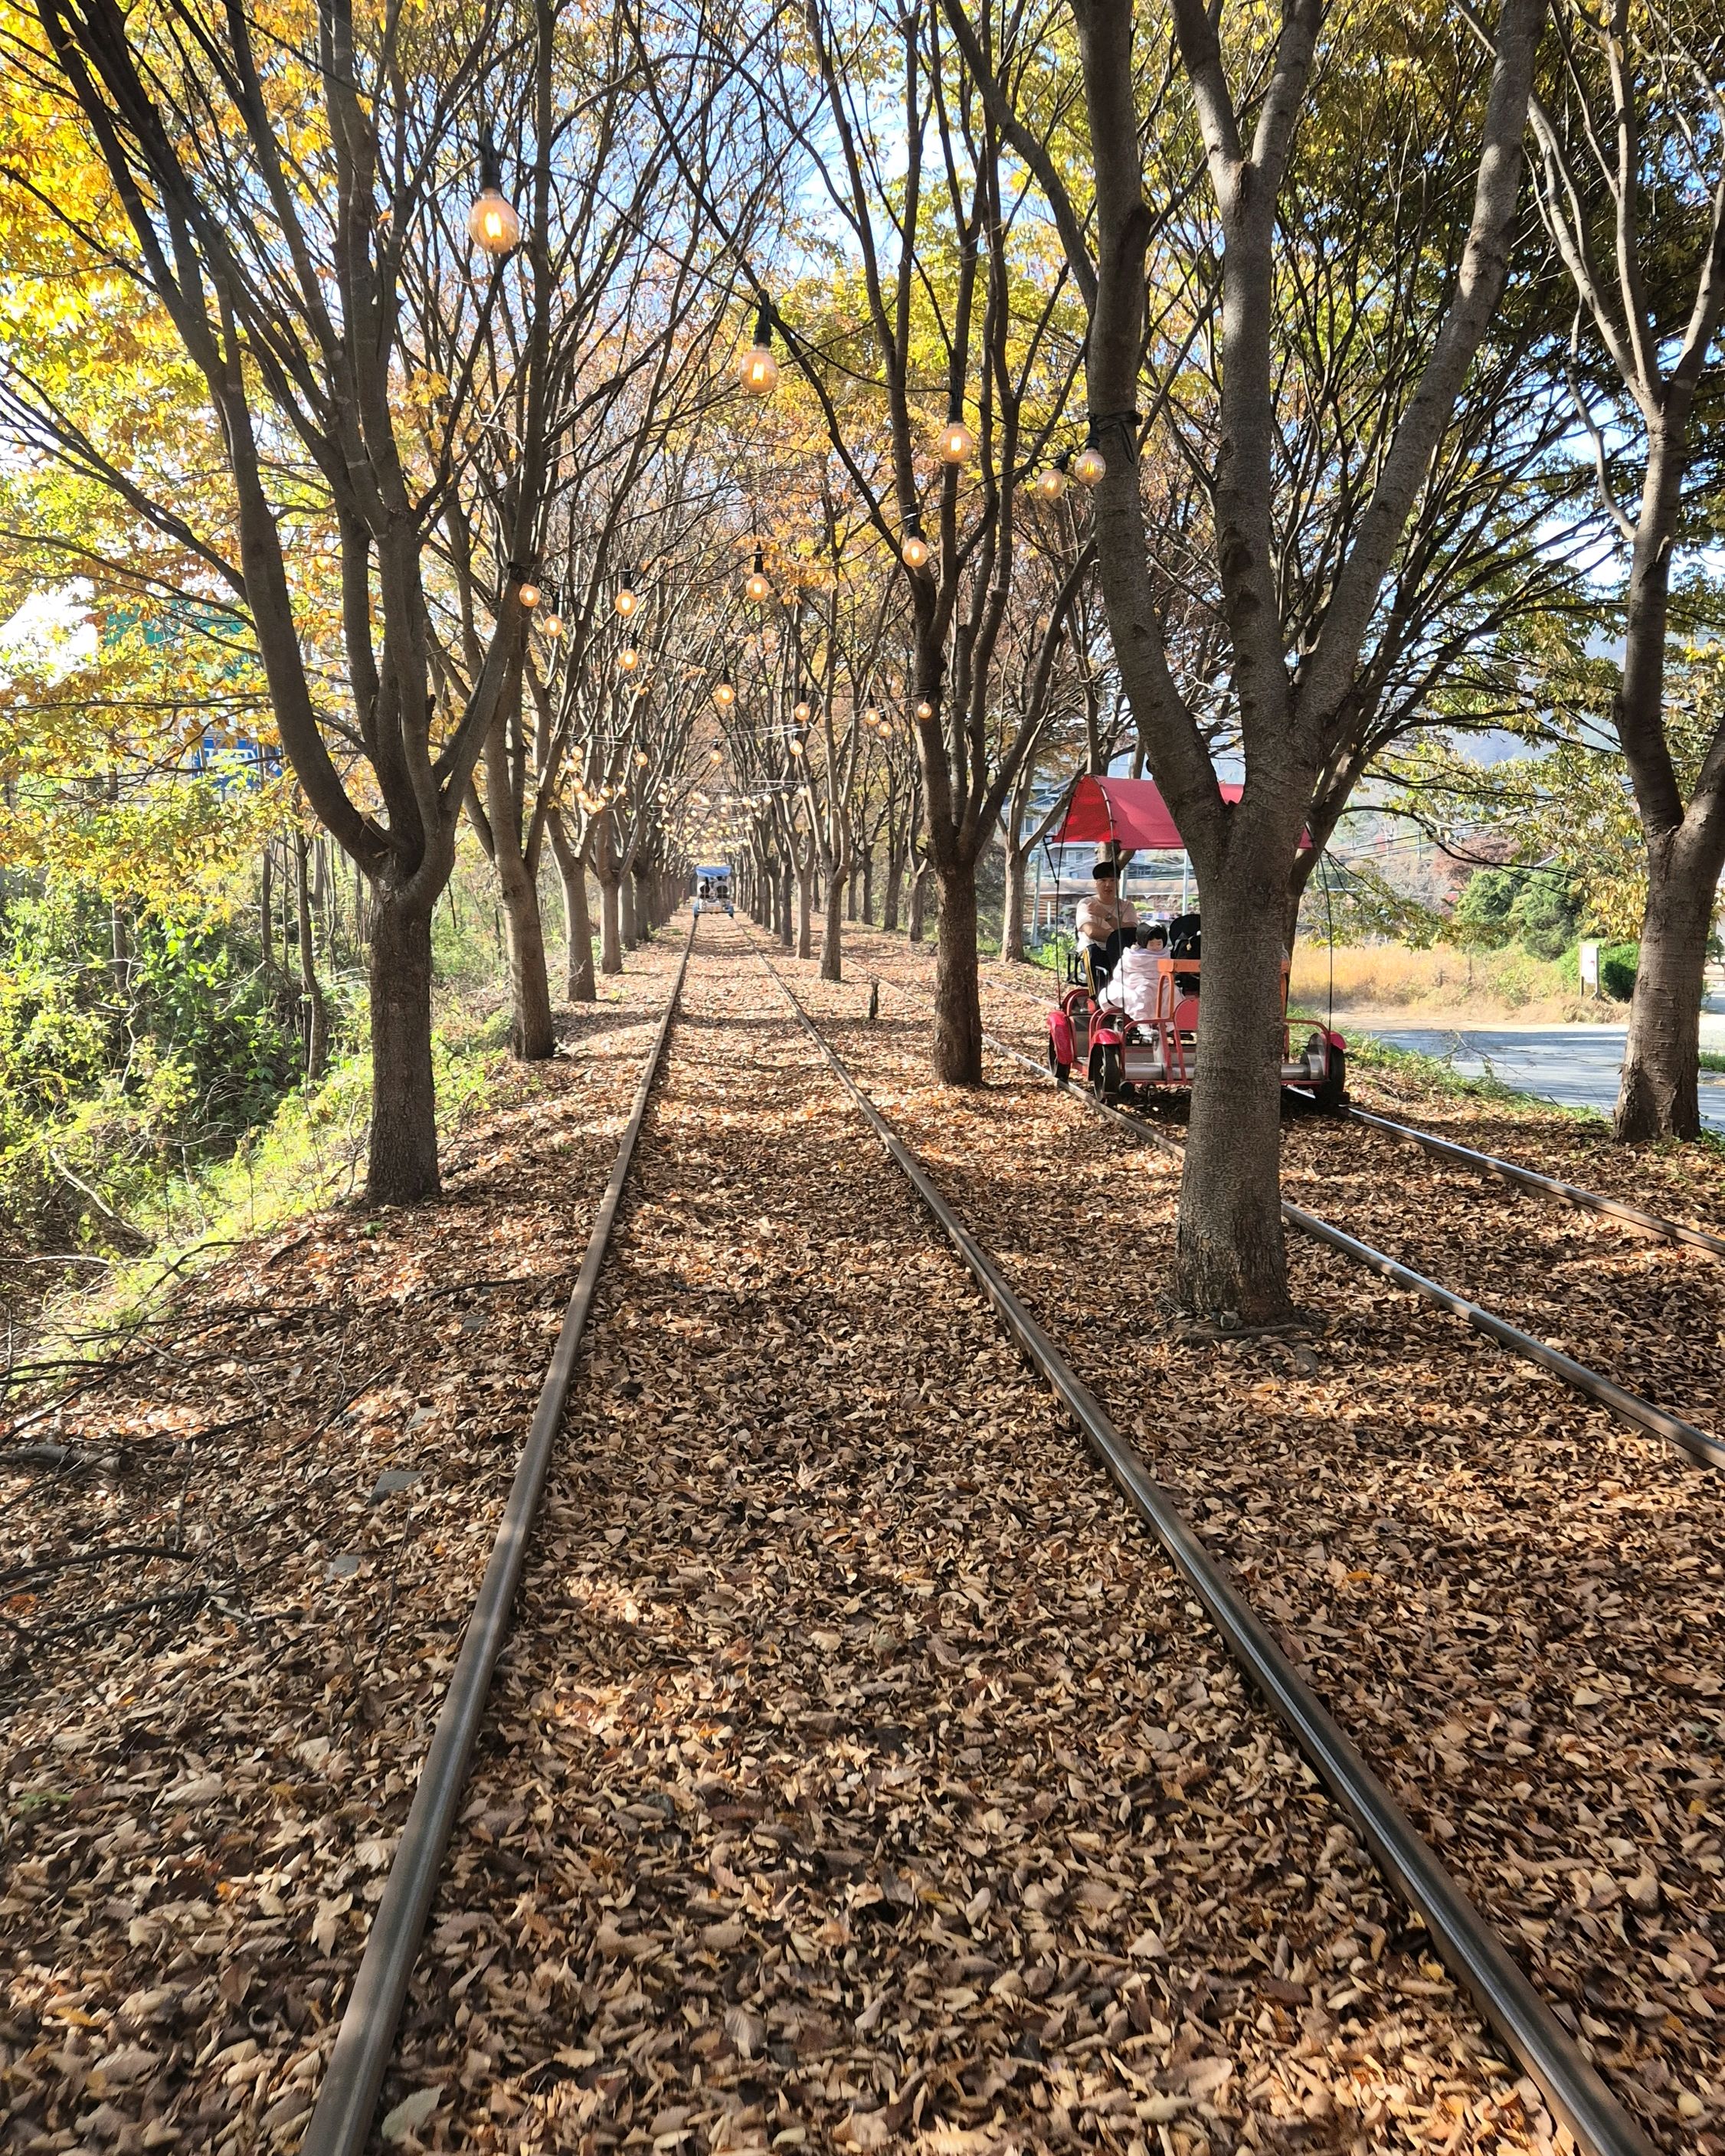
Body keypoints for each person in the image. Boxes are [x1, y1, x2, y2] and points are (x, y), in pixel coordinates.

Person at [1074, 855, 1137, 988]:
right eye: (1103, 880)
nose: (1108, 885)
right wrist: (1119, 936)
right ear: (1096, 883)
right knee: (1094, 953)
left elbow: (1130, 933)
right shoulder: (1087, 903)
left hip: (1121, 952)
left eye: (1113, 880)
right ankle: (1098, 1000)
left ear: (1118, 882)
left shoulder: (1127, 906)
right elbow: (1092, 932)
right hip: (1094, 953)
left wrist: (1105, 915)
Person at [1100, 922, 1167, 1024]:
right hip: (1137, 982)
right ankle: (1143, 1023)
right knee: (1142, 994)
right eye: (1151, 944)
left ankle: (1171, 1023)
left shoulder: (1165, 954)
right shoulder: (1133, 956)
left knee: (1173, 993)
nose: (1155, 947)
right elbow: (1121, 972)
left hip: (1161, 983)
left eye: (1159, 944)